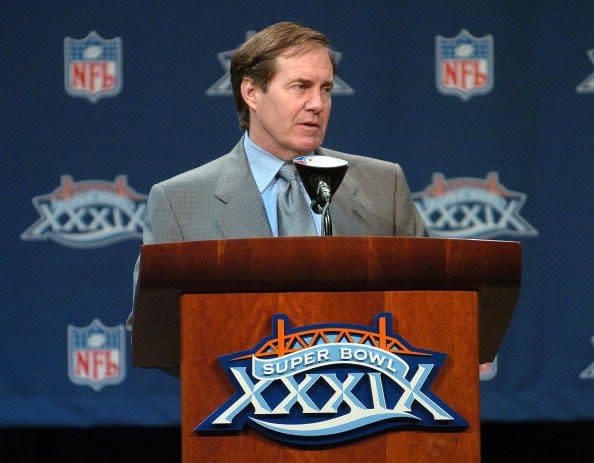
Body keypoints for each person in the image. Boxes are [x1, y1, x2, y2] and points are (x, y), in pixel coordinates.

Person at [128, 21, 425, 329]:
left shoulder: (382, 184)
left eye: (326, 89)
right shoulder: (180, 202)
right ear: (252, 92)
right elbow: (155, 329)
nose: (317, 104)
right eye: (300, 87)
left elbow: (431, 302)